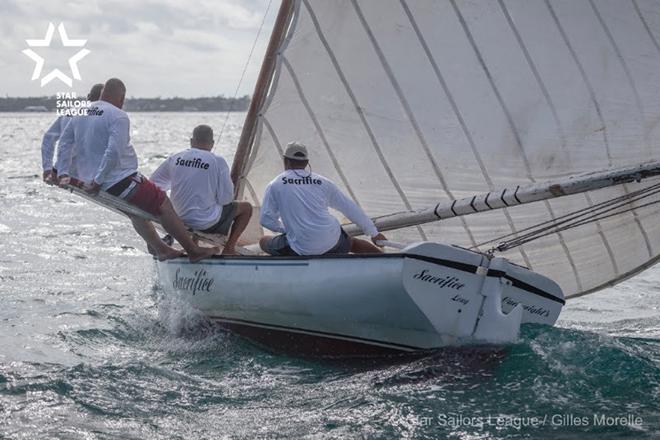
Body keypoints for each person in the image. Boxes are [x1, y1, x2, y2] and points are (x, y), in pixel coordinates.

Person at [55, 78, 218, 262]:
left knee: (136, 211)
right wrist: (99, 180)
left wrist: (60, 172)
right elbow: (113, 151)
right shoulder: (118, 115)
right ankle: (193, 251)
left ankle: (162, 249)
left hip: (93, 180)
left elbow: (65, 144)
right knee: (162, 203)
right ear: (121, 97)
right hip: (118, 179)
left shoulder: (80, 113)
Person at [259, 142, 387, 256]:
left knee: (263, 241)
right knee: (352, 243)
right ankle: (386, 260)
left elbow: (266, 220)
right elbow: (350, 208)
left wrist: (286, 229)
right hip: (333, 242)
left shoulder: (275, 185)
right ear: (306, 162)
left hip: (303, 248)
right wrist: (374, 233)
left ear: (285, 160)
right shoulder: (324, 182)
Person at [150, 125, 253, 255]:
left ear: (192, 141)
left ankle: (193, 243)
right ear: (212, 144)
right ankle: (229, 248)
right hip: (206, 223)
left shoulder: (176, 158)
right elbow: (226, 199)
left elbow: (154, 185)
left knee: (197, 203)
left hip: (177, 219)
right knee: (246, 208)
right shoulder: (218, 161)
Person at [41, 83, 103, 185]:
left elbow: (48, 138)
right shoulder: (103, 115)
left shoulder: (69, 112)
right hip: (87, 175)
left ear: (88, 96)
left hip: (63, 171)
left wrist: (47, 168)